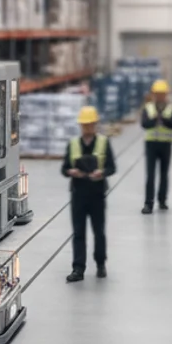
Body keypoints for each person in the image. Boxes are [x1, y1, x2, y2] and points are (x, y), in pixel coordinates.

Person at [61, 106, 116, 283]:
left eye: (91, 124)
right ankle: (78, 268)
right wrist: (71, 172)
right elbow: (64, 169)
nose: (88, 128)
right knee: (78, 232)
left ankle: (100, 264)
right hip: (78, 193)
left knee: (98, 231)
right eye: (85, 125)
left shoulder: (104, 142)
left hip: (97, 193)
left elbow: (112, 167)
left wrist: (102, 173)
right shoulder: (73, 144)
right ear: (81, 126)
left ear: (95, 124)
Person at [140, 80, 172, 214]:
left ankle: (162, 201)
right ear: (154, 94)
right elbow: (144, 124)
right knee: (150, 174)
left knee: (164, 174)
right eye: (158, 94)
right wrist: (155, 119)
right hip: (151, 144)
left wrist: (164, 120)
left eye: (162, 94)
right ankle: (148, 203)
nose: (160, 96)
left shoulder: (171, 108)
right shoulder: (148, 108)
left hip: (166, 144)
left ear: (166, 95)